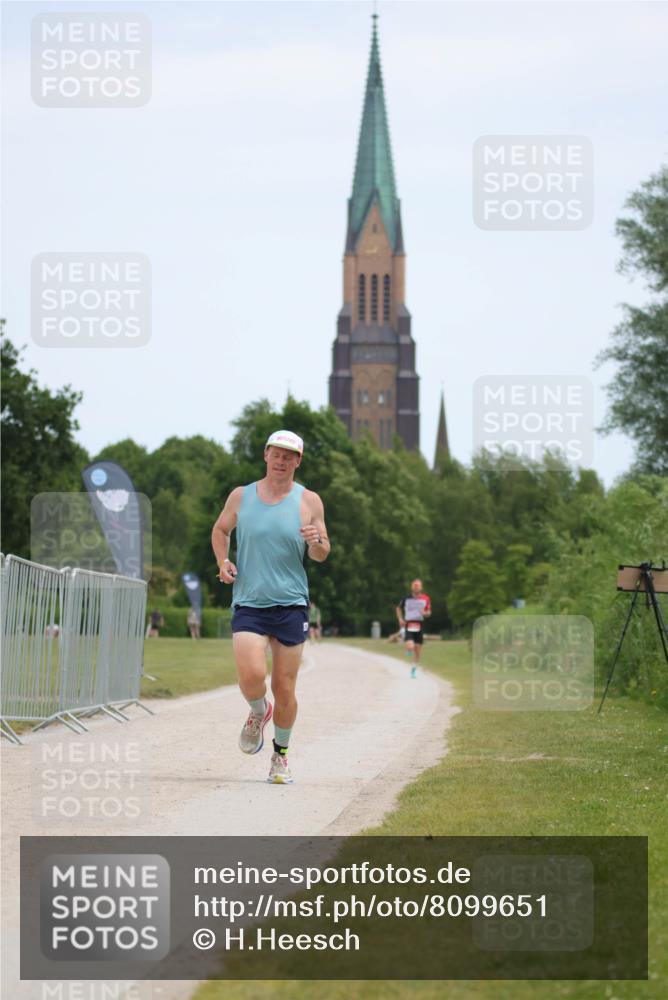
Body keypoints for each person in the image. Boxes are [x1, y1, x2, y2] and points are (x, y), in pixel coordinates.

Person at [211, 429, 330, 784]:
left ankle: (280, 758)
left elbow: (322, 553)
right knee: (250, 677)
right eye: (276, 454)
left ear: (298, 461)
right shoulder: (241, 496)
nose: (282, 461)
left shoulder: (309, 501)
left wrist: (317, 540)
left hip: (291, 604)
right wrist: (223, 562)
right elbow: (220, 530)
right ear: (265, 455)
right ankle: (257, 711)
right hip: (249, 601)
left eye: (289, 456)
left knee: (285, 686)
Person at [395, 579, 431, 678]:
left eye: (418, 586)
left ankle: (413, 670)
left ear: (421, 587)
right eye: (414, 586)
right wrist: (400, 619)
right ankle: (409, 648)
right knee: (411, 646)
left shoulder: (426, 598)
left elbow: (429, 612)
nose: (416, 587)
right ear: (412, 587)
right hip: (409, 624)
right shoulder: (406, 598)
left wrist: (425, 613)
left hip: (419, 625)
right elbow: (398, 608)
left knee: (418, 651)